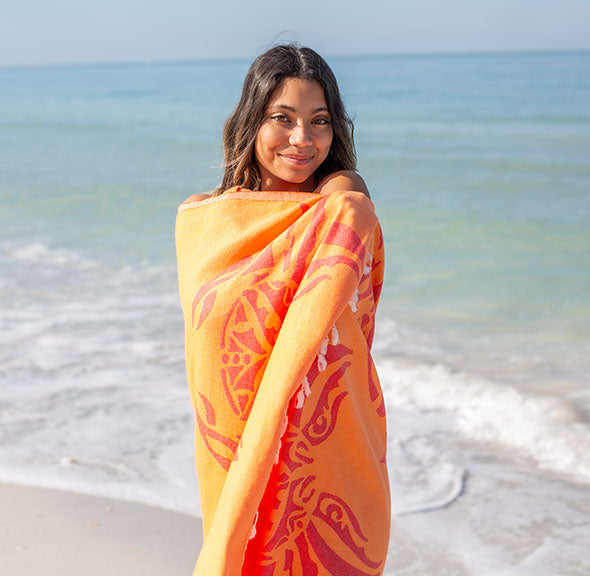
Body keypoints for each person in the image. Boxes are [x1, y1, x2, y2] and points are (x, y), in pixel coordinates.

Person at [175, 44, 390, 576]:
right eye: (282, 118)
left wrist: (345, 182)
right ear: (251, 121)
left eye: (319, 121)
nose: (303, 139)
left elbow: (349, 195)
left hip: (328, 466)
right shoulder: (207, 222)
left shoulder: (337, 211)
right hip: (232, 453)